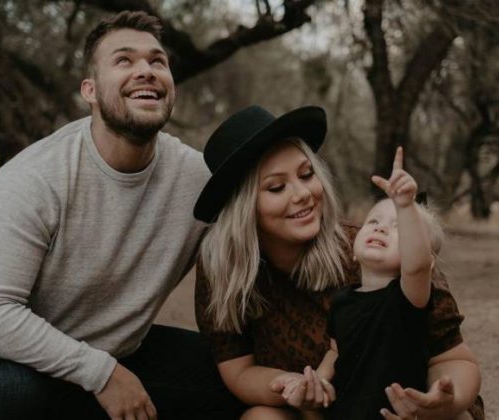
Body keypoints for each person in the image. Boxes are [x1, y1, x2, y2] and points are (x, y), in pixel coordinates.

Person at [0, 11, 242, 420]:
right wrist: (101, 374)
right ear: (90, 91)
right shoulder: (36, 175)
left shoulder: (197, 179)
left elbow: (266, 234)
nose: (146, 71)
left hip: (115, 350)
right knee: (11, 398)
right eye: (124, 60)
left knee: (235, 378)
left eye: (157, 61)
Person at [194, 105, 484, 420]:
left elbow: (455, 358)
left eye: (307, 174)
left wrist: (441, 402)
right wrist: (291, 386)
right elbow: (239, 371)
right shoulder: (224, 272)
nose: (303, 193)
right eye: (277, 187)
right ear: (241, 208)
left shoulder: (376, 252)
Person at [312, 147, 466, 419]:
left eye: (399, 227)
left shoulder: (408, 298)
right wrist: (320, 379)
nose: (381, 227)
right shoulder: (342, 300)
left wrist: (406, 205)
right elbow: (335, 352)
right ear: (353, 250)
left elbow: (416, 266)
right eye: (373, 221)